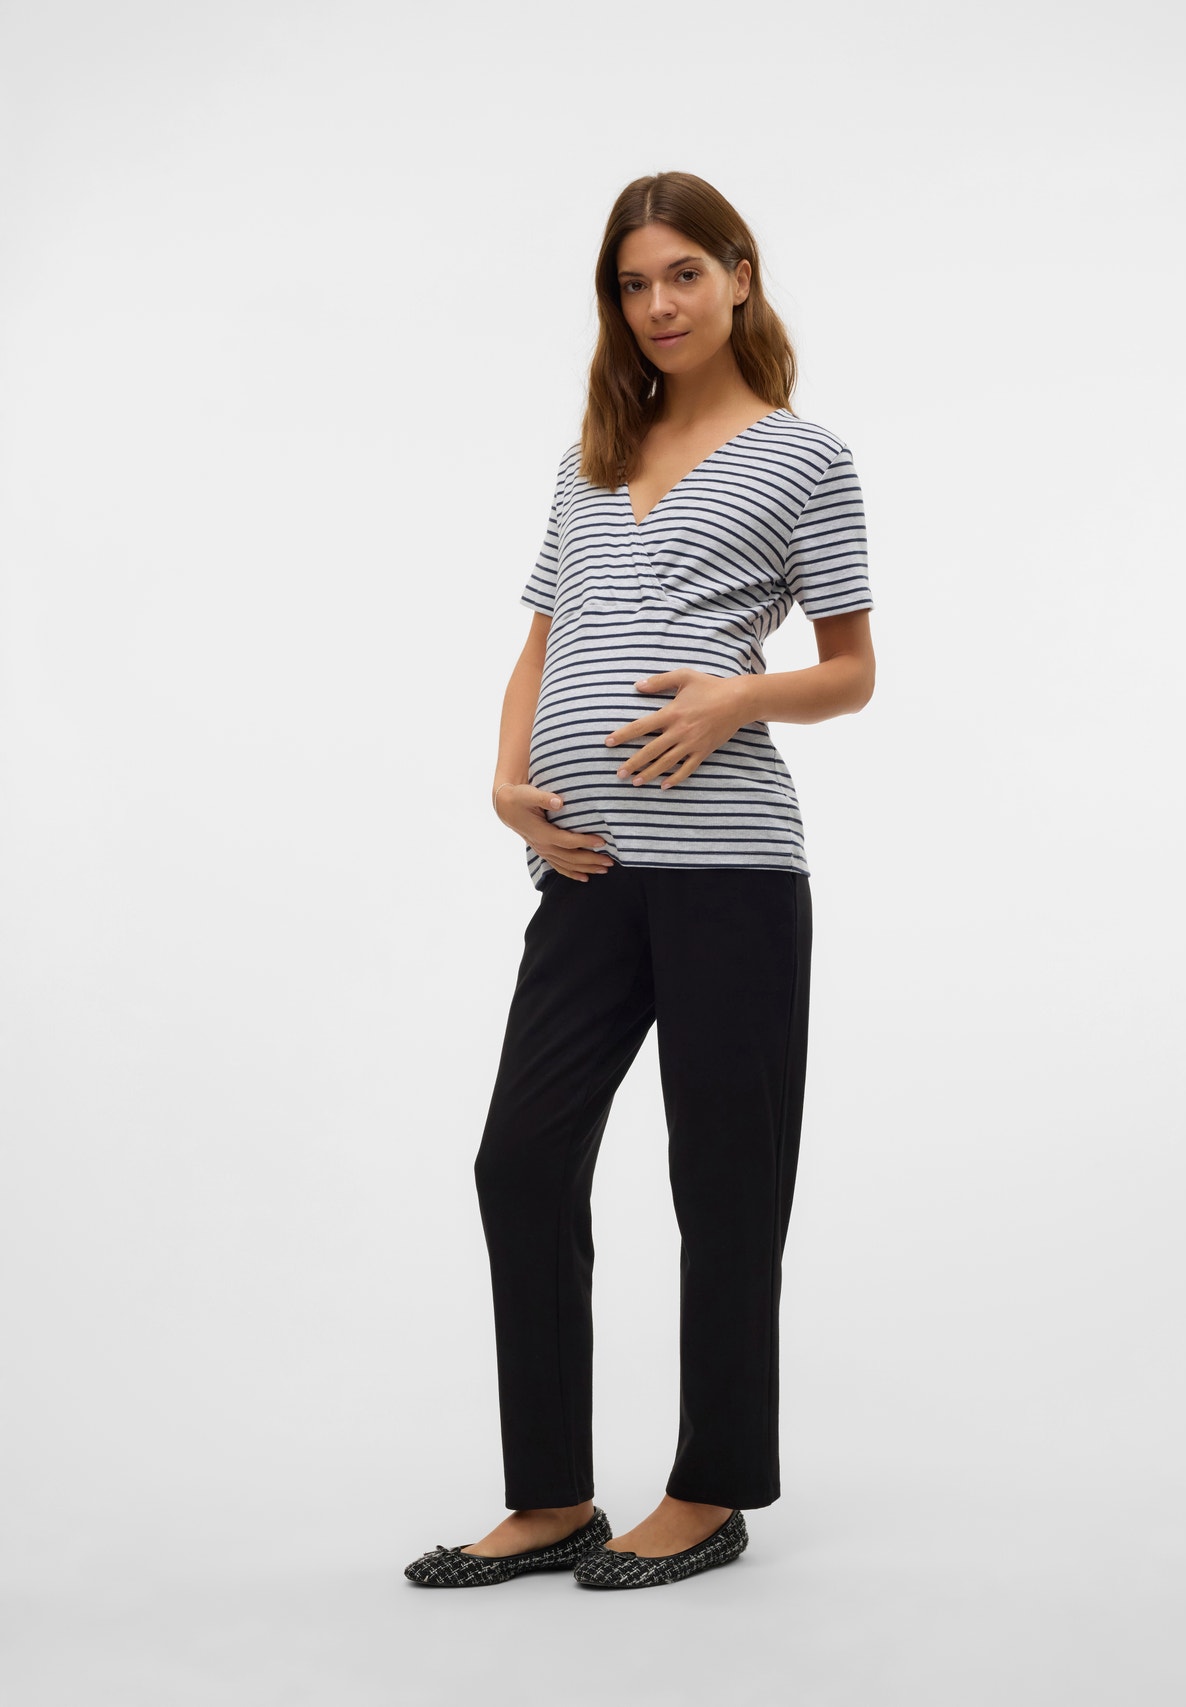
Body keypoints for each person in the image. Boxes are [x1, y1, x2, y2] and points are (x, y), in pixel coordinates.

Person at [405, 170, 875, 1592]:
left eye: (683, 273)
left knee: (724, 1186)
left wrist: (737, 699)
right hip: (588, 870)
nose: (658, 303)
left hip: (732, 870)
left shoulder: (806, 457)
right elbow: (541, 648)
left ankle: (709, 1492)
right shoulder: (591, 459)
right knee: (521, 1159)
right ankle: (551, 1497)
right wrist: (506, 783)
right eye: (632, 282)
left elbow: (852, 671)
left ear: (740, 275)